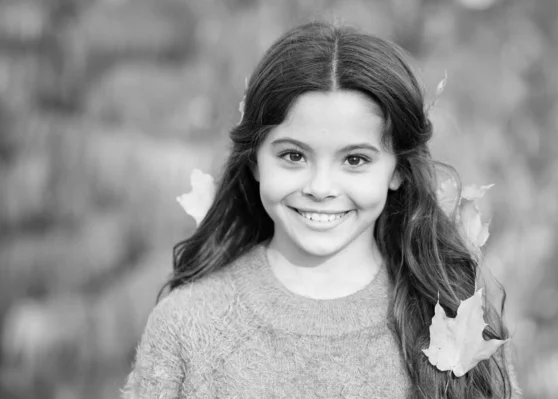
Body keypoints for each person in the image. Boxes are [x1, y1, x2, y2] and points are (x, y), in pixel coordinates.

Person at [122, 21, 517, 398]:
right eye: (294, 156)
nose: (321, 188)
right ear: (256, 161)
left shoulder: (456, 321)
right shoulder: (186, 326)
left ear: (396, 169)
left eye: (355, 160)